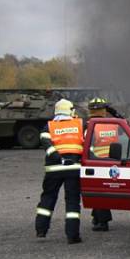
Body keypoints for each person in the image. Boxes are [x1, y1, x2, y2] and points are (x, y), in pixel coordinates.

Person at [35, 99, 84, 243]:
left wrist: (58, 158)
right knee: (72, 202)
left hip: (53, 169)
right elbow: (87, 145)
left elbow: (47, 145)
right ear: (71, 110)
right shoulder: (79, 124)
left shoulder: (48, 126)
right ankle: (72, 236)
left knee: (48, 198)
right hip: (73, 169)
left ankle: (41, 231)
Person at [87, 97, 125, 231]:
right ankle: (97, 218)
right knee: (101, 192)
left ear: (90, 110)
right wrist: (113, 111)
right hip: (113, 161)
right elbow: (126, 123)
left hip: (96, 162)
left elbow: (86, 145)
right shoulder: (113, 123)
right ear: (104, 110)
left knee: (97, 192)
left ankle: (102, 222)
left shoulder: (90, 126)